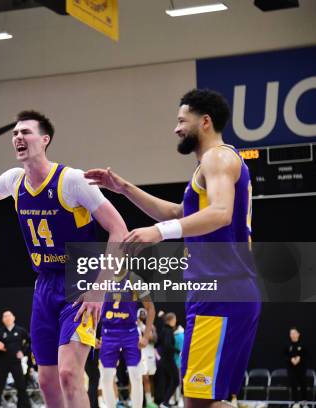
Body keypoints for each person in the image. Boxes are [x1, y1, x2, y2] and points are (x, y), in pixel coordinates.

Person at [0, 110, 128, 407]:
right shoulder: (15, 180)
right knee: (47, 381)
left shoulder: (72, 180)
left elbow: (119, 229)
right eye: (15, 133)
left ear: (44, 139)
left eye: (25, 132)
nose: (18, 137)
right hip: (45, 283)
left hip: (81, 280)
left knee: (69, 374)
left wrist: (100, 288)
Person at [86, 89, 261, 407]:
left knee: (197, 400)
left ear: (205, 122)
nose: (176, 128)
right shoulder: (205, 167)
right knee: (202, 400)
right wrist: (123, 188)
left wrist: (159, 233)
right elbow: (177, 213)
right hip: (215, 293)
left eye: (182, 120)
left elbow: (220, 213)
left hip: (223, 293)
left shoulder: (218, 157)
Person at [99, 274, 155, 408]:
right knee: (106, 378)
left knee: (136, 375)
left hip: (130, 332)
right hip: (108, 332)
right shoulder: (101, 278)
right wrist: (92, 334)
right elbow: (90, 306)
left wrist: (146, 336)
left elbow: (150, 307)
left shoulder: (134, 279)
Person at [0, 310, 31, 408]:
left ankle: (24, 406)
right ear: (2, 319)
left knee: (21, 386)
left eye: (9, 316)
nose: (7, 318)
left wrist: (23, 352)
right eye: (5, 316)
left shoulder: (20, 331)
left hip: (16, 362)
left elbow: (30, 342)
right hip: (3, 362)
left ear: (13, 318)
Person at [155, 313, 178, 408]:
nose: (175, 321)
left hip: (163, 359)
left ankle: (164, 401)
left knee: (168, 380)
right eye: (174, 319)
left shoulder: (163, 330)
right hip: (168, 360)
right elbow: (167, 345)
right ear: (171, 320)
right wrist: (178, 351)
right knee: (175, 380)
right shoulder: (168, 331)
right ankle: (165, 402)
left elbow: (158, 343)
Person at [137, 308, 158, 408]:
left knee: (149, 378)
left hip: (149, 354)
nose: (143, 316)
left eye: (144, 314)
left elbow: (154, 339)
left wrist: (150, 332)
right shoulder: (136, 325)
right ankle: (136, 401)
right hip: (138, 354)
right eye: (141, 314)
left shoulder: (151, 326)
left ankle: (150, 401)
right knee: (138, 378)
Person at [287, 327, 308, 404]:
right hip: (292, 369)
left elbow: (304, 354)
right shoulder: (288, 345)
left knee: (303, 385)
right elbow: (286, 355)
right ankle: (295, 403)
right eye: (291, 333)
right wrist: (291, 359)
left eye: (294, 333)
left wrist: (299, 358)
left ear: (298, 334)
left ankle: (304, 402)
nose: (293, 335)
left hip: (301, 369)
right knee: (293, 385)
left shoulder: (302, 344)